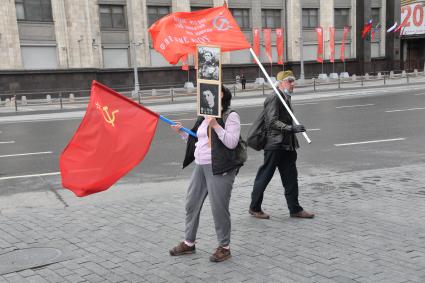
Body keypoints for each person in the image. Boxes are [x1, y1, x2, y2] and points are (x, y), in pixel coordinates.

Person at [169, 85, 242, 262]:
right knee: (191, 204)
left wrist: (216, 125)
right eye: (205, 95)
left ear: (221, 95)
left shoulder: (230, 116)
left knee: (219, 208)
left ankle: (224, 247)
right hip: (201, 166)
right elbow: (198, 140)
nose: (205, 98)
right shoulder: (204, 116)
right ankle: (189, 243)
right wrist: (181, 133)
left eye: (209, 94)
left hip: (220, 167)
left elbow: (232, 143)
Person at [249, 70, 314, 220]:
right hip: (275, 144)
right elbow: (271, 121)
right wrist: (291, 128)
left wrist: (291, 131)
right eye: (289, 81)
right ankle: (254, 207)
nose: (292, 84)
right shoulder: (274, 97)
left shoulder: (285, 97)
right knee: (264, 176)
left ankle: (295, 209)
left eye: (293, 81)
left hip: (287, 144)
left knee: (291, 177)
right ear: (280, 83)